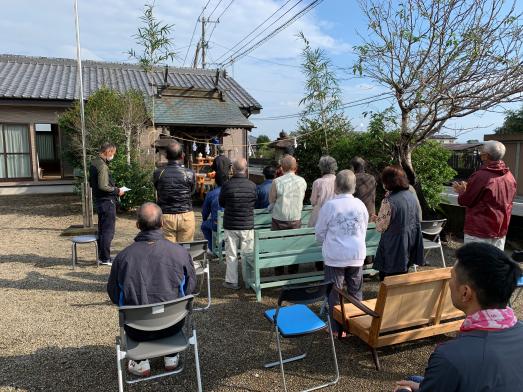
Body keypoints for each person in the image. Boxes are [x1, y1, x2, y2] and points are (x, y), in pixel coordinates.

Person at [394, 242, 523, 392]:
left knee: (405, 386)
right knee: (414, 380)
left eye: (452, 277)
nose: (449, 282)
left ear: (465, 293)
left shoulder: (450, 357)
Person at [107, 203, 197, 377]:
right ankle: (171, 356)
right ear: (162, 223)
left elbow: (114, 294)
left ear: (137, 225)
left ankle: (141, 363)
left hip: (137, 328)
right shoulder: (180, 253)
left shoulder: (123, 258)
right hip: (174, 324)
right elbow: (190, 289)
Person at [315, 170, 369, 337]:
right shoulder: (360, 204)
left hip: (335, 255)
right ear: (354, 186)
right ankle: (355, 325)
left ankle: (336, 327)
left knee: (335, 292)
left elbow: (319, 233)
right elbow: (364, 228)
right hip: (356, 253)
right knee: (355, 291)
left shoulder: (330, 206)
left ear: (336, 186)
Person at [453, 140, 517, 250]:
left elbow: (465, 201)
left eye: (481, 152)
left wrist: (462, 191)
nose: (480, 154)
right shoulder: (509, 176)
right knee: (493, 265)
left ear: (486, 156)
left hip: (479, 231)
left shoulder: (480, 176)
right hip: (500, 230)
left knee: (474, 266)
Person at [373, 166, 424, 281]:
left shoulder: (389, 201)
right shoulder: (410, 195)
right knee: (402, 276)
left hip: (393, 245)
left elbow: (380, 227)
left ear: (388, 182)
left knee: (388, 279)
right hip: (409, 241)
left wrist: (377, 219)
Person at [219, 158, 257, 290]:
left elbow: (222, 203)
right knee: (248, 254)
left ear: (233, 169)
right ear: (245, 169)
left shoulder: (226, 185)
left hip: (231, 224)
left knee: (231, 254)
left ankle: (232, 281)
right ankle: (249, 280)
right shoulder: (252, 185)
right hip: (247, 224)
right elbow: (254, 203)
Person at [269, 155, 307, 275]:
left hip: (279, 218)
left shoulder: (277, 181)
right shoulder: (302, 181)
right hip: (296, 218)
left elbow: (271, 200)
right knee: (294, 245)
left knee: (278, 245)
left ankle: (279, 271)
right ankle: (293, 271)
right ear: (295, 167)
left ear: (282, 167)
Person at [153, 140, 196, 243]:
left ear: (166, 156)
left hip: (166, 215)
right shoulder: (189, 173)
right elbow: (192, 191)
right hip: (186, 214)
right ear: (182, 156)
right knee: (185, 250)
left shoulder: (158, 173)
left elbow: (157, 189)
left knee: (167, 251)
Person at [89, 142, 124, 266]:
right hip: (106, 201)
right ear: (108, 152)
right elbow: (103, 185)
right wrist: (117, 190)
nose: (113, 156)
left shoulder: (94, 163)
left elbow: (92, 183)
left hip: (99, 200)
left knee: (102, 229)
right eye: (113, 153)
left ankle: (102, 256)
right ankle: (105, 258)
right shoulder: (102, 166)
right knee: (108, 231)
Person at [309, 155, 337, 227]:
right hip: (336, 215)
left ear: (321, 168)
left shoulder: (317, 182)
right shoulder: (339, 180)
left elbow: (313, 202)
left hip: (320, 217)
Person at [201, 175, 224, 251]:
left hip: (217, 224)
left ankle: (211, 248)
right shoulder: (232, 192)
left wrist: (204, 219)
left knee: (204, 226)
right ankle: (223, 244)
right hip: (232, 222)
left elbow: (205, 212)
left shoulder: (211, 194)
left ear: (215, 182)